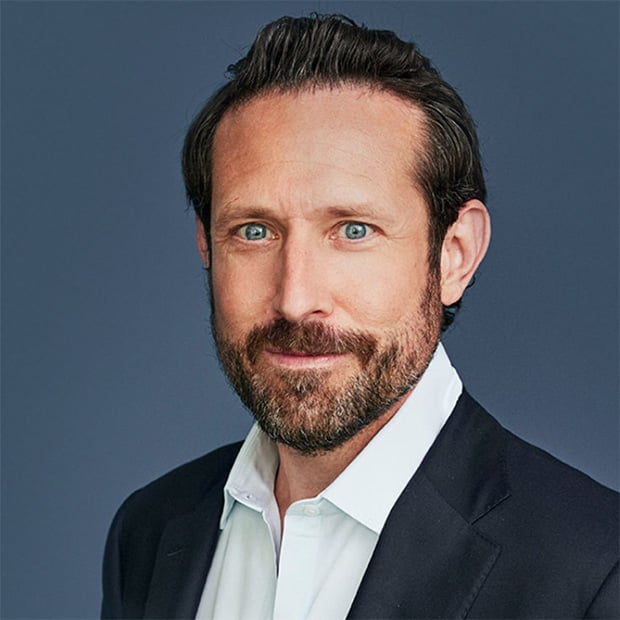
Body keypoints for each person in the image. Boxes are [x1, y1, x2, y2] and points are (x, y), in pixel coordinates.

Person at [101, 14, 618, 619]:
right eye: (254, 231)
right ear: (206, 246)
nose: (295, 299)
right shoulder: (150, 533)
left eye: (353, 230)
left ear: (454, 255)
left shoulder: (595, 571)